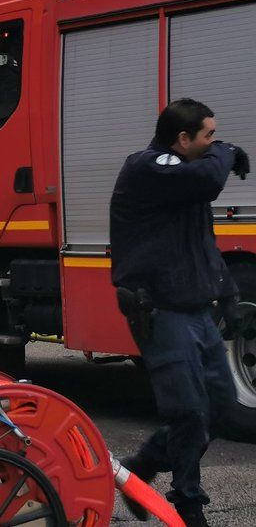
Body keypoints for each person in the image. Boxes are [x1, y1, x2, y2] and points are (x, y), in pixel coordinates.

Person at [111, 99, 250, 527]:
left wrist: (228, 296)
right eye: (207, 135)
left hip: (196, 311)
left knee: (222, 405)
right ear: (183, 139)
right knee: (188, 411)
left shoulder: (183, 178)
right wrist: (227, 152)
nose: (213, 144)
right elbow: (209, 178)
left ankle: (142, 466)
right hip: (161, 313)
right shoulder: (148, 169)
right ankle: (187, 501)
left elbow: (201, 243)